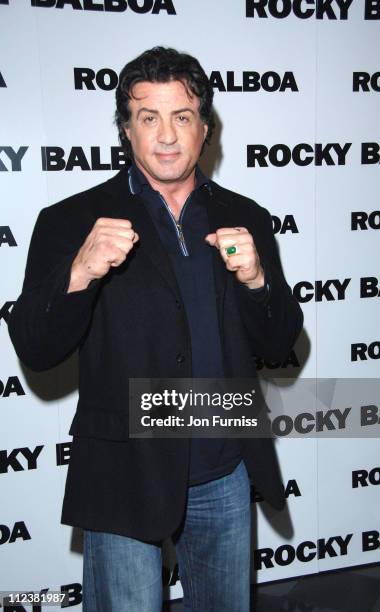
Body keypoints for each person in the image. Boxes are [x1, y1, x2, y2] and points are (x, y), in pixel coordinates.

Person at [9, 47, 303, 611]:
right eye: (149, 118)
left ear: (205, 128)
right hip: (124, 471)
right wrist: (80, 272)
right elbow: (36, 347)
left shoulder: (247, 217)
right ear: (126, 129)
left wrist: (258, 279)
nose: (167, 136)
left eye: (182, 116)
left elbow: (278, 341)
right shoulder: (71, 220)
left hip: (224, 469)